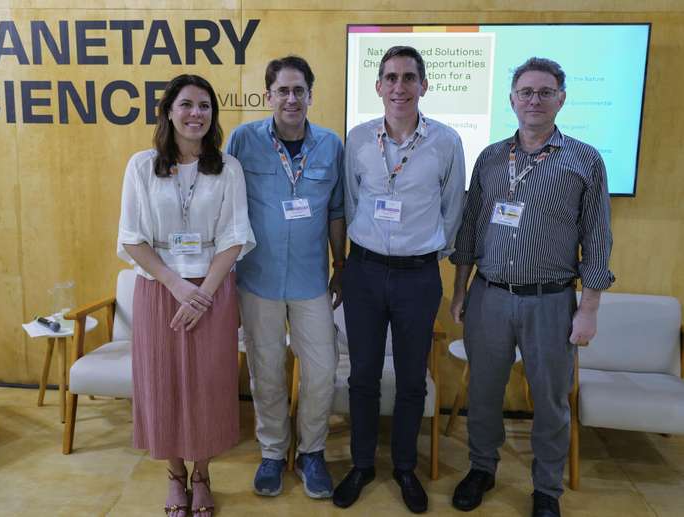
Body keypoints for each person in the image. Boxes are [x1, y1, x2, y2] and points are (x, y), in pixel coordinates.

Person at [449, 57, 614, 517]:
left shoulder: (584, 159)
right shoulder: (490, 157)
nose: (534, 100)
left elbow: (598, 237)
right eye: (526, 92)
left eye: (545, 92)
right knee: (483, 392)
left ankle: (546, 490)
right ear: (512, 100)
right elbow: (469, 231)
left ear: (561, 99)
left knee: (551, 400)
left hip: (551, 300)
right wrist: (460, 290)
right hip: (489, 295)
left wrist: (589, 309)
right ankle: (482, 468)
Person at [117, 74, 255, 517]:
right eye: (187, 104)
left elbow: (235, 236)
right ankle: (175, 474)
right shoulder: (142, 166)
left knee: (209, 385)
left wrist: (204, 293)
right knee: (163, 384)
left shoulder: (227, 168)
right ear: (168, 111)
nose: (196, 113)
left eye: (205, 106)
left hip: (212, 291)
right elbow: (132, 238)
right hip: (160, 290)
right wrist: (177, 286)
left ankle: (202, 475)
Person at [334, 45, 465, 514]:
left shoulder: (446, 142)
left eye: (409, 77)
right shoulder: (358, 139)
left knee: (412, 379)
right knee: (363, 376)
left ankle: (405, 468)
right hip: (365, 272)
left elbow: (453, 208)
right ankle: (362, 465)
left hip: (418, 277)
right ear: (378, 86)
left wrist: (426, 252)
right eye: (391, 77)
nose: (399, 86)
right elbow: (351, 203)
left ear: (424, 85)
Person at [226, 55, 345, 499]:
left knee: (322, 370)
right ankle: (274, 452)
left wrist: (340, 267)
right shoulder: (243, 140)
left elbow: (337, 211)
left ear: (311, 95)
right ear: (269, 95)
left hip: (311, 280)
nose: (291, 99)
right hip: (258, 279)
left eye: (299, 91)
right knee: (266, 371)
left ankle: (312, 451)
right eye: (283, 91)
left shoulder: (330, 145)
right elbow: (227, 207)